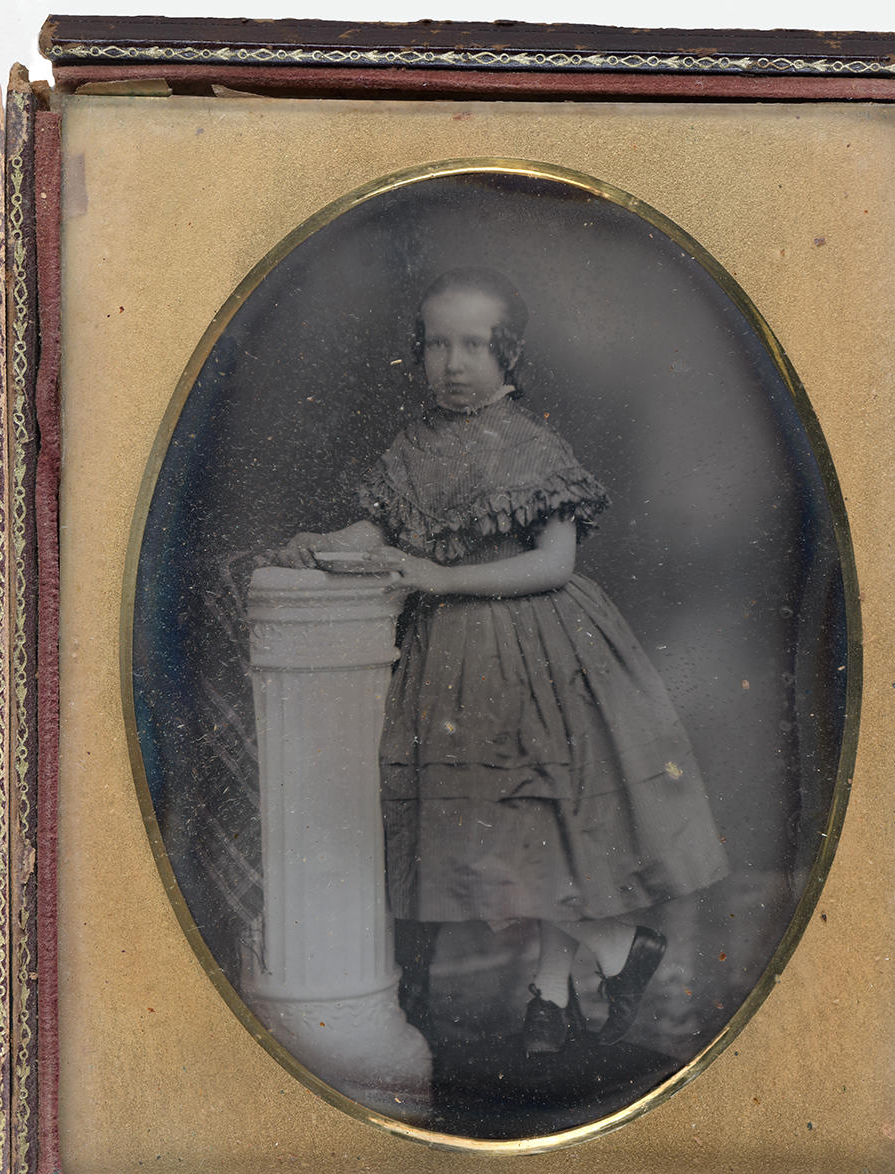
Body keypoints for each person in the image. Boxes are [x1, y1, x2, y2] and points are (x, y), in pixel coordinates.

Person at [274, 267, 728, 1053]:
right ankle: (550, 1001)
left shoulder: (533, 447)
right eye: (438, 344)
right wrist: (330, 545)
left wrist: (442, 577)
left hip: (538, 649)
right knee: (520, 833)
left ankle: (614, 955)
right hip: (451, 657)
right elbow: (380, 530)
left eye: (475, 345)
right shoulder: (413, 447)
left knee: (531, 831)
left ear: (510, 355)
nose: (453, 363)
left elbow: (554, 562)